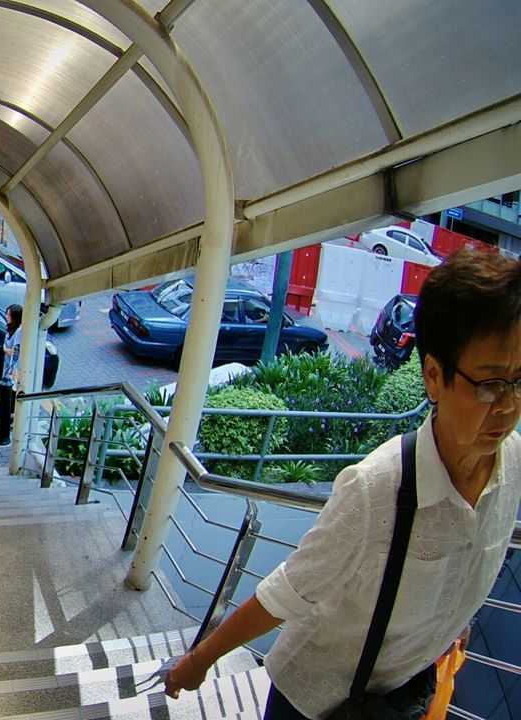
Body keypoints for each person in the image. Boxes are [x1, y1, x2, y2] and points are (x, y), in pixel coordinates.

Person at [165, 249, 521, 719]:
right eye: (492, 384)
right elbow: (288, 591)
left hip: (397, 693)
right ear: (433, 376)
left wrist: (455, 619)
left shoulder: (512, 461)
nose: (508, 405)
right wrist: (198, 662)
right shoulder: (378, 489)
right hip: (313, 700)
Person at [0, 304, 23, 447]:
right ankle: (11, 419)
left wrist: (13, 370)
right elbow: (6, 345)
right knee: (10, 394)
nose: (6, 316)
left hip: (12, 369)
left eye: (8, 315)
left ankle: (15, 420)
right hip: (7, 366)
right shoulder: (10, 329)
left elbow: (16, 352)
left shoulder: (19, 331)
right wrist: (5, 349)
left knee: (13, 394)